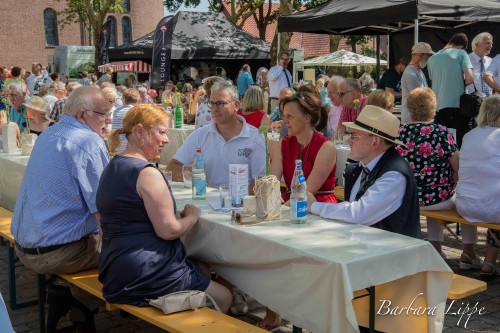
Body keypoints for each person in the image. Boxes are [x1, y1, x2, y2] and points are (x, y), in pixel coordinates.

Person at [98, 104, 232, 310]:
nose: (167, 139)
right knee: (224, 297)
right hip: (146, 272)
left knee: (202, 269)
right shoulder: (146, 173)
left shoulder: (112, 165)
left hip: (115, 268)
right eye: (162, 132)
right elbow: (169, 230)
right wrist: (192, 216)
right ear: (140, 132)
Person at [10, 86, 112, 331]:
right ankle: (78, 299)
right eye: (103, 114)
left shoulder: (49, 132)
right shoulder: (88, 141)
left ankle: (69, 296)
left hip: (24, 248)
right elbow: (105, 212)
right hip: (56, 254)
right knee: (130, 250)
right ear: (82, 114)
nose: (109, 120)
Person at [307, 105, 420, 238]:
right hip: (369, 249)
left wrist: (313, 206)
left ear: (375, 141)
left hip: (395, 254)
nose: (348, 140)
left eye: (354, 136)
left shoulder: (394, 174)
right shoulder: (360, 168)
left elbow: (358, 214)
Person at [396, 88, 480, 265]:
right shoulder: (440, 132)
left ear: (410, 108)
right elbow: (457, 165)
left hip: (408, 197)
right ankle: (468, 252)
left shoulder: (400, 132)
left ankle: (435, 249)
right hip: (439, 198)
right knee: (467, 199)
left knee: (431, 196)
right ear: (433, 108)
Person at [167, 81, 266, 190]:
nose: (214, 108)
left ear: (236, 105)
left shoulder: (255, 137)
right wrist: (196, 180)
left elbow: (260, 181)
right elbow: (173, 167)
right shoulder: (201, 134)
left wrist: (234, 200)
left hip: (240, 204)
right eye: (211, 103)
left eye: (220, 103)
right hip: (207, 202)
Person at [455, 95, 500, 276]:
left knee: (487, 195)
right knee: (492, 201)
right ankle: (489, 262)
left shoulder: (469, 135)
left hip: (465, 205)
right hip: (491, 207)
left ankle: (472, 254)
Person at [271, 91, 337, 204]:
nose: (285, 122)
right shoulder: (283, 144)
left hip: (318, 208)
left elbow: (305, 193)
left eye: (290, 116)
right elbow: (272, 184)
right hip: (290, 204)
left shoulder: (326, 147)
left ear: (307, 118)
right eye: (284, 116)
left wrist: (280, 211)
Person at [427, 33, 474, 148]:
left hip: (438, 108)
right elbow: (470, 78)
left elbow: (435, 80)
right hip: (457, 107)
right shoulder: (461, 53)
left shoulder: (431, 58)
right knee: (461, 144)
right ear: (461, 46)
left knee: (442, 145)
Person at [400, 42, 435, 124]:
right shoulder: (410, 73)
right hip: (412, 121)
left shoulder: (418, 71)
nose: (428, 59)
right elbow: (421, 98)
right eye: (427, 56)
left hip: (417, 119)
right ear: (419, 55)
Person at [111, 88, 141, 153]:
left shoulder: (116, 111)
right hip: (131, 146)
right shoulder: (136, 111)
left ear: (123, 99)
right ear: (137, 99)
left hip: (117, 144)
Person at [466, 32, 493, 96]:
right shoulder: (466, 60)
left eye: (491, 43)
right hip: (472, 101)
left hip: (489, 101)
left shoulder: (490, 61)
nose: (491, 46)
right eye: (487, 43)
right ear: (477, 44)